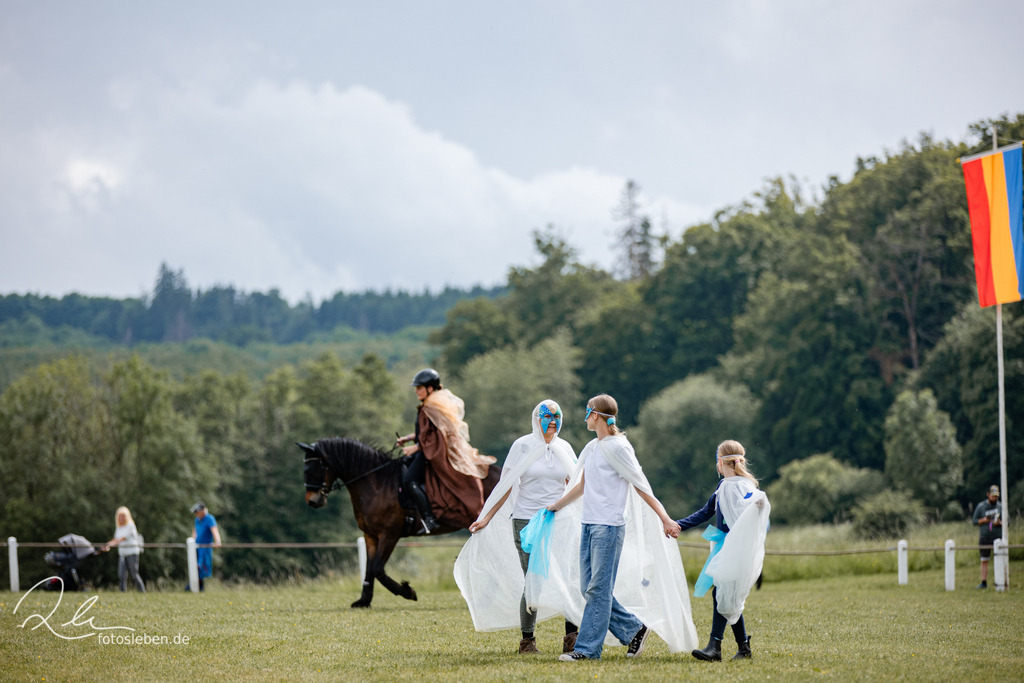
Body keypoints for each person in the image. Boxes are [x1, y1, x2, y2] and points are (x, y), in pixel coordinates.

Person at [548, 394, 696, 662]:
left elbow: (641, 484)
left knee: (598, 590)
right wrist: (555, 506)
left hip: (609, 528)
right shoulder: (593, 447)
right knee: (588, 588)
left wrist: (664, 517)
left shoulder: (619, 447)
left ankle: (587, 650)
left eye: (587, 411)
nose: (585, 415)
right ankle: (633, 629)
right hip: (589, 525)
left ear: (596, 415)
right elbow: (583, 486)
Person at [454, 400, 579, 654]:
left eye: (557, 416)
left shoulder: (564, 448)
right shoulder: (522, 446)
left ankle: (572, 638)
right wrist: (486, 517)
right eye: (547, 416)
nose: (552, 420)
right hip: (526, 522)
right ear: (536, 419)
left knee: (568, 577)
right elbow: (506, 484)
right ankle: (527, 641)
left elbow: (575, 484)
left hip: (560, 521)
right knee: (534, 581)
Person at [675, 440, 769, 662]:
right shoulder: (723, 487)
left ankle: (715, 647)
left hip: (734, 548)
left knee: (724, 593)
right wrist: (678, 525)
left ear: (720, 462)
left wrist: (757, 503)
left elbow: (754, 501)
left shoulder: (741, 486)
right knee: (727, 594)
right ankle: (742, 648)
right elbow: (705, 512)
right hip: (724, 547)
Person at [396, 369, 496, 534]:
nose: (416, 391)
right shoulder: (433, 405)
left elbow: (438, 435)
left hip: (430, 452)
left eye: (419, 387)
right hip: (427, 448)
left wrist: (416, 447)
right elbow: (428, 431)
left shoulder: (430, 407)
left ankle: (429, 519)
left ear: (430, 388)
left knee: (409, 480)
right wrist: (408, 438)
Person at [102, 506, 146, 592]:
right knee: (121, 575)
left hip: (132, 553)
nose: (121, 518)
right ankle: (122, 593)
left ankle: (142, 591)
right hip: (122, 553)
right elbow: (115, 539)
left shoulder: (130, 525)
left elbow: (122, 538)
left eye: (123, 516)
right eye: (119, 516)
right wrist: (107, 544)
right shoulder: (119, 527)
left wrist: (110, 545)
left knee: (134, 575)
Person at [972, 485, 1003, 589]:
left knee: (1000, 559)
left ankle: (1000, 581)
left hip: (998, 537)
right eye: (993, 496)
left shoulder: (1000, 507)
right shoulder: (981, 506)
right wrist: (983, 520)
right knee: (984, 560)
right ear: (988, 495)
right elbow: (974, 521)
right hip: (985, 537)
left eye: (996, 496)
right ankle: (984, 582)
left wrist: (999, 523)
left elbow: (1007, 522)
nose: (995, 498)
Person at [191, 502, 222, 591]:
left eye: (197, 512)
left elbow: (214, 530)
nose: (196, 514)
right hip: (197, 547)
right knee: (195, 567)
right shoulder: (197, 519)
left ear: (202, 511)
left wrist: (218, 541)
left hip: (205, 548)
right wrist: (192, 541)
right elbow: (195, 530)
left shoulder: (209, 518)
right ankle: (197, 587)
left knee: (201, 568)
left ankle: (198, 587)